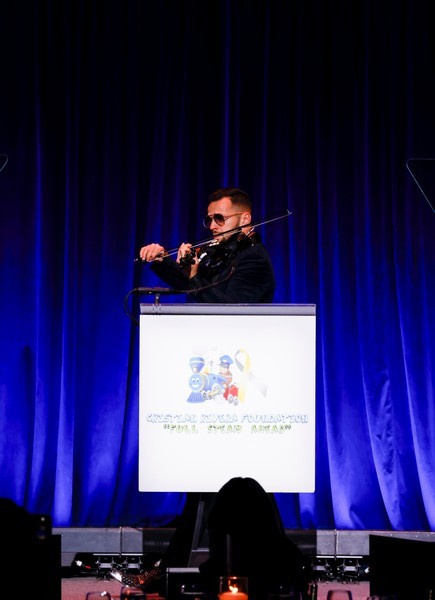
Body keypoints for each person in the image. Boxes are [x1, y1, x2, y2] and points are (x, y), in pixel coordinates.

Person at [139, 187, 276, 303]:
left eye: (219, 218)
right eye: (209, 220)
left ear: (245, 219)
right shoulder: (220, 252)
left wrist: (194, 276)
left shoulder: (255, 258)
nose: (212, 226)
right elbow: (190, 286)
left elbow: (230, 310)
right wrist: (163, 260)